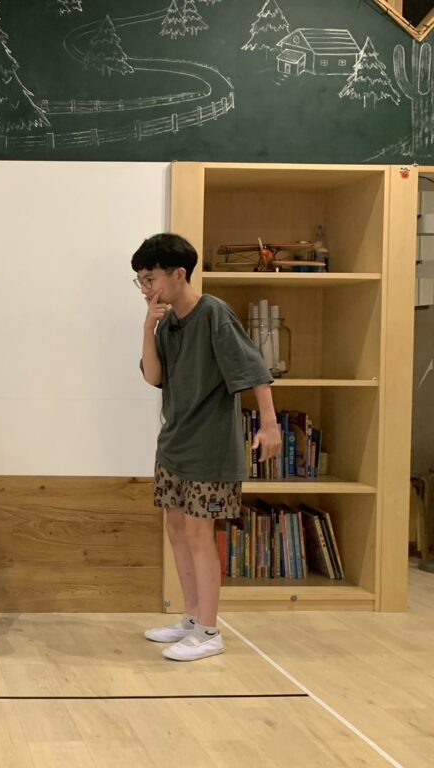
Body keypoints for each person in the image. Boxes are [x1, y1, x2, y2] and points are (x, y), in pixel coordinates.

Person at [133, 233, 281, 661]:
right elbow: (153, 377)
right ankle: (192, 618)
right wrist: (147, 327)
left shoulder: (213, 312)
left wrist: (269, 425)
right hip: (174, 445)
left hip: (210, 448)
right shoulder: (167, 324)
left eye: (150, 279)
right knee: (176, 529)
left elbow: (254, 369)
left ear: (179, 274)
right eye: (140, 281)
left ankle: (210, 630)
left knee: (200, 534)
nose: (145, 289)